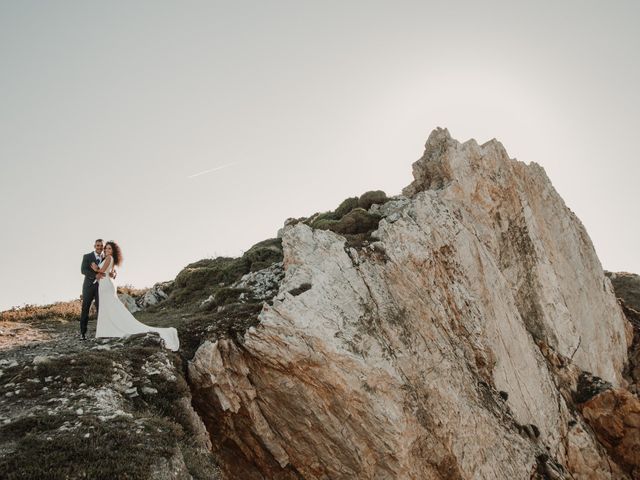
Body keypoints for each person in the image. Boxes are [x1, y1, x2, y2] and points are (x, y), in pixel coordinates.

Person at [92, 241, 179, 351]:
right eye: (106, 249)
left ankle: (109, 328)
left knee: (110, 305)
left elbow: (102, 270)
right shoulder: (110, 259)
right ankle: (107, 328)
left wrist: (96, 269)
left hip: (106, 286)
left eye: (109, 248)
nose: (106, 250)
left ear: (113, 250)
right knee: (109, 306)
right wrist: (101, 274)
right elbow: (111, 273)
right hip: (105, 284)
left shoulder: (109, 258)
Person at [79, 239, 114, 340]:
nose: (99, 247)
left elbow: (111, 270)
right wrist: (95, 275)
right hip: (88, 286)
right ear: (94, 246)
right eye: (97, 245)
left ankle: (102, 332)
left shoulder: (106, 257)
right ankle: (82, 333)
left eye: (101, 246)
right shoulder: (87, 256)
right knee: (85, 309)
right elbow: (83, 270)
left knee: (101, 309)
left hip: (101, 287)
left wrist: (113, 274)